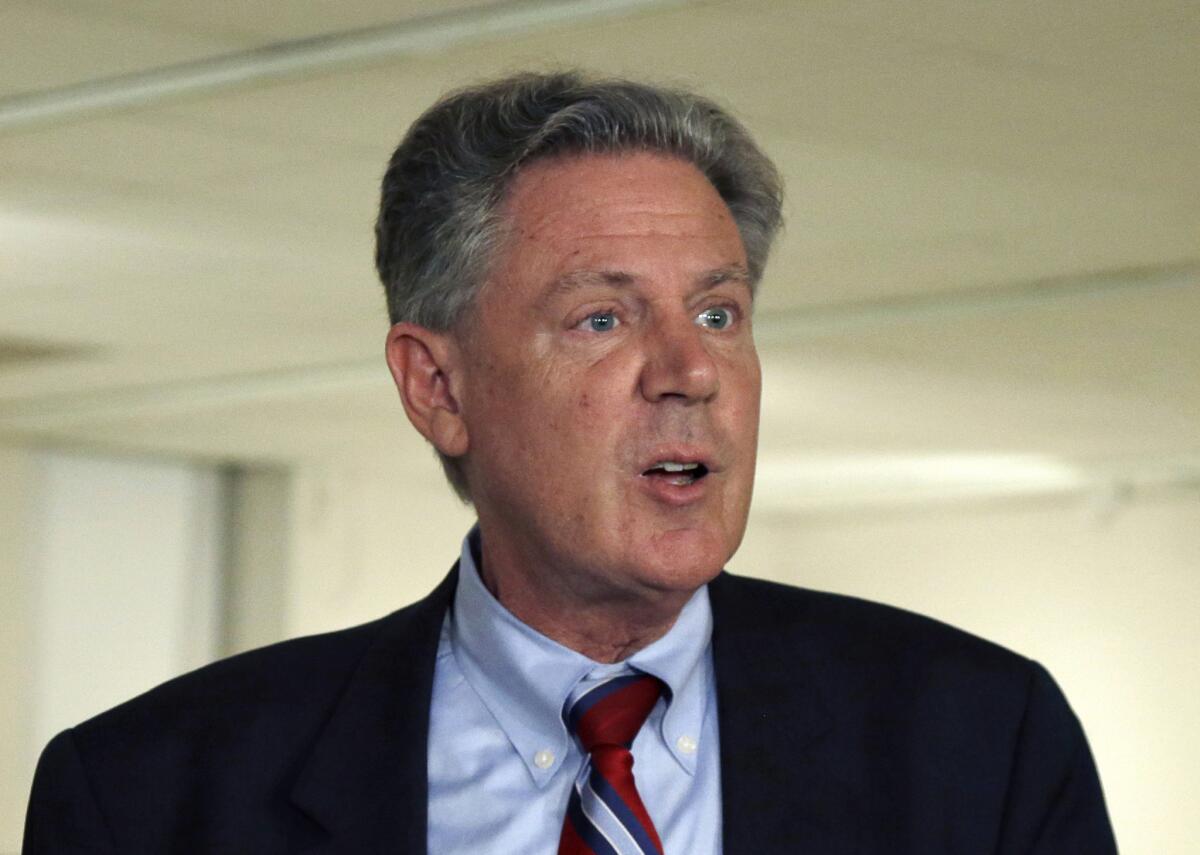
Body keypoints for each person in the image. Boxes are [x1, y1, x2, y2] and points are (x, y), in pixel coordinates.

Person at [24, 71, 1116, 854]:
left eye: (720, 311)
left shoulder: (979, 742)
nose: (690, 370)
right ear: (437, 388)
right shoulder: (152, 794)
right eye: (603, 319)